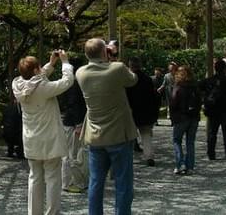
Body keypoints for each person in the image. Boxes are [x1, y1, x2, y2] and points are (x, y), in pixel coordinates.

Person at [76, 38, 137, 215]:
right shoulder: (117, 68)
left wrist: (105, 53)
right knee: (123, 182)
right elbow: (132, 79)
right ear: (105, 52)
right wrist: (113, 56)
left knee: (96, 182)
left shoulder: (81, 73)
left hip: (95, 136)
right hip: (119, 134)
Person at [12, 50, 74, 215]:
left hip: (31, 139)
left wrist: (51, 64)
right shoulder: (44, 88)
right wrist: (65, 63)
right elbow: (67, 81)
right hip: (49, 140)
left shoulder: (17, 84)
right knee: (53, 178)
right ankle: (52, 212)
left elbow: (35, 80)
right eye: (38, 67)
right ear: (35, 70)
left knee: (35, 177)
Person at [200, 58, 226, 160]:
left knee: (212, 132)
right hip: (225, 110)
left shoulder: (209, 80)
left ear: (215, 69)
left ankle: (211, 153)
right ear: (224, 69)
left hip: (213, 110)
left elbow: (199, 86)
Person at [126, 57, 160, 166]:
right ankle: (149, 156)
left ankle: (128, 157)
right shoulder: (147, 79)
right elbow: (153, 96)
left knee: (129, 137)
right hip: (145, 111)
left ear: (130, 66)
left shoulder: (128, 80)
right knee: (146, 135)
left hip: (131, 112)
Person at [61, 56, 88, 193]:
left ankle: (68, 181)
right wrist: (78, 123)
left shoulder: (67, 83)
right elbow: (74, 105)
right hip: (73, 123)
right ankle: (73, 182)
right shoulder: (75, 85)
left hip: (69, 121)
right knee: (73, 154)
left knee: (69, 154)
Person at [169, 65, 201, 175]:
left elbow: (173, 103)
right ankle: (190, 167)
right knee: (190, 142)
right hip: (194, 117)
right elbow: (199, 102)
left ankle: (180, 164)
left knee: (177, 140)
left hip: (181, 117)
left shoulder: (178, 86)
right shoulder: (195, 86)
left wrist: (173, 118)